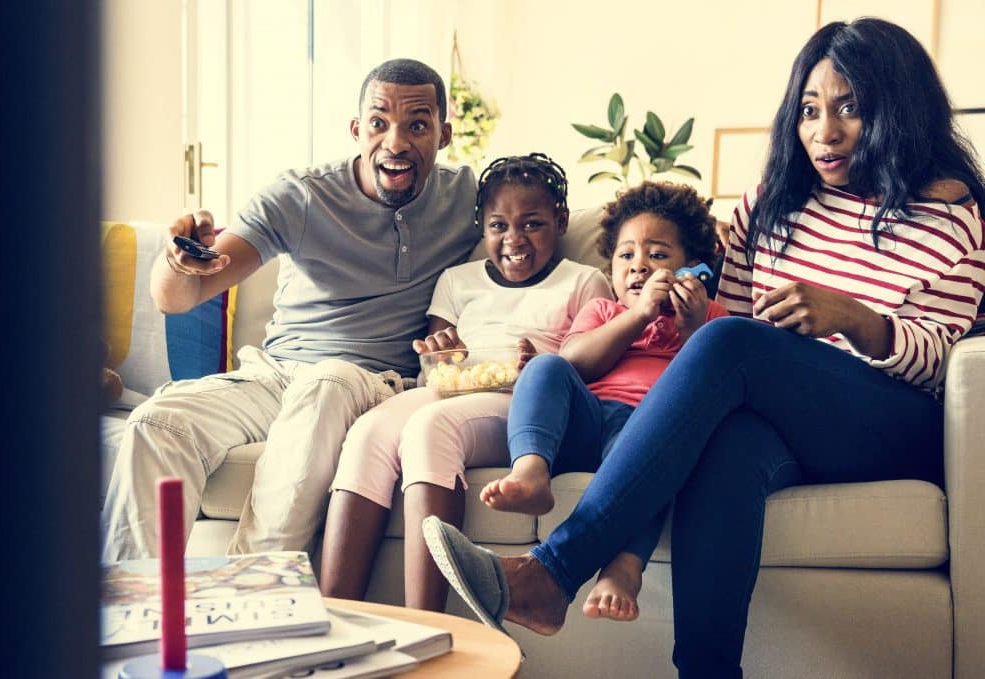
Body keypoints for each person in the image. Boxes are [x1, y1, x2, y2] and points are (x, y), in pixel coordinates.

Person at [421, 17, 985, 679]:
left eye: (849, 109)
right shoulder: (773, 204)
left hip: (887, 418)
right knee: (731, 443)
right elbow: (735, 330)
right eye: (808, 110)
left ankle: (552, 572)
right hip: (777, 419)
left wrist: (856, 319)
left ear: (900, 110)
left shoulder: (951, 214)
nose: (823, 132)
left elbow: (940, 360)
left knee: (730, 343)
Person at [102, 58, 481, 562]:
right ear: (356, 129)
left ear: (444, 134)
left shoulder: (468, 199)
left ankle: (253, 601)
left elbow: (534, 231)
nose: (395, 142)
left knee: (326, 384)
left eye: (417, 124)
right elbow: (177, 298)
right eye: (378, 122)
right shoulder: (301, 195)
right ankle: (133, 619)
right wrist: (178, 261)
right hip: (276, 377)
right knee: (157, 423)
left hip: (367, 383)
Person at [319, 154, 613, 611]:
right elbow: (434, 368)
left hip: (523, 403)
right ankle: (336, 616)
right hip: (451, 389)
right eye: (498, 226)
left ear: (560, 221)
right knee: (368, 434)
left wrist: (542, 363)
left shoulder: (583, 280)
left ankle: (428, 627)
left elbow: (589, 364)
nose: (514, 240)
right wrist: (444, 355)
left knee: (431, 428)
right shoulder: (457, 280)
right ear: (482, 227)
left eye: (532, 224)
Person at [479, 180, 728, 622]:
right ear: (610, 268)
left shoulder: (712, 318)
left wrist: (692, 327)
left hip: (648, 434)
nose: (640, 267)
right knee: (545, 367)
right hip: (588, 422)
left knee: (654, 457)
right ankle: (532, 472)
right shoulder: (605, 312)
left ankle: (622, 569)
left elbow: (708, 387)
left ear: (692, 268)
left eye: (658, 255)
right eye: (626, 256)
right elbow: (577, 362)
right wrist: (637, 317)